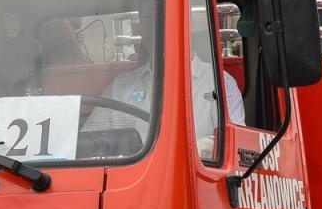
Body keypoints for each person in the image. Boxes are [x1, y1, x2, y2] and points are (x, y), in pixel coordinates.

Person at [82, 51, 244, 150]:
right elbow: (89, 143)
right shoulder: (120, 87)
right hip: (125, 191)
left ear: (187, 22)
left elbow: (234, 146)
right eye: (148, 17)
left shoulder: (218, 82)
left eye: (163, 15)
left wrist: (200, 149)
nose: (155, 23)